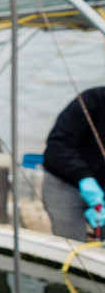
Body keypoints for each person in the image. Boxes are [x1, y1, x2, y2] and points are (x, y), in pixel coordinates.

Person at [41, 87, 105, 240]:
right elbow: (58, 143)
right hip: (64, 184)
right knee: (71, 243)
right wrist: (83, 177)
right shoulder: (92, 100)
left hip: (101, 192)